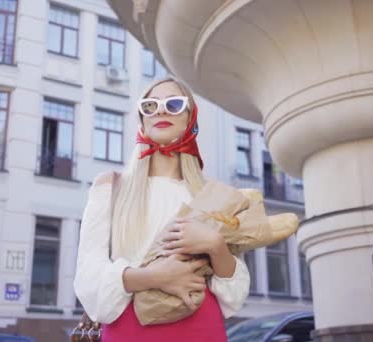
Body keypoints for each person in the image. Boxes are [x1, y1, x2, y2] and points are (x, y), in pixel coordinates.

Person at [73, 78, 250, 341]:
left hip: (201, 328)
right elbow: (88, 280)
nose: (161, 110)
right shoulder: (111, 187)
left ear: (191, 119)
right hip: (131, 330)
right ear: (142, 120)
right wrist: (154, 277)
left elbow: (233, 298)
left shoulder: (212, 195)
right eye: (150, 105)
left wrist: (216, 245)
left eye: (174, 104)